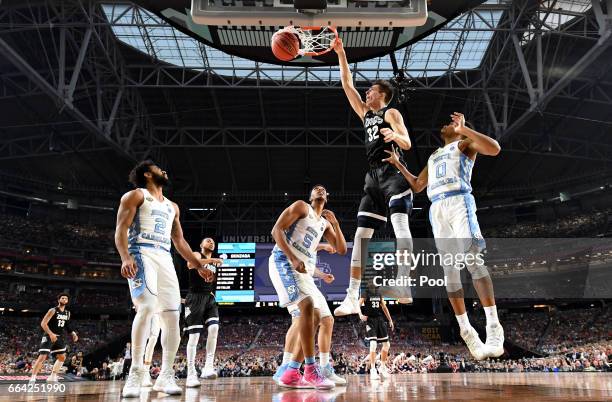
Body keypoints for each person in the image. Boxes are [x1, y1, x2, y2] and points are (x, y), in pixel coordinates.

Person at [382, 112, 504, 360]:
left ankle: (493, 326)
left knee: (472, 261)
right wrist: (399, 165)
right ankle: (465, 329)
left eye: (452, 124)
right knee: (449, 271)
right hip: (437, 208)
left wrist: (465, 129)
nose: (446, 124)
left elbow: (495, 149)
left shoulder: (465, 144)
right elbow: (417, 185)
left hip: (459, 201)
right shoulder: (435, 154)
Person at [115, 160, 214, 397]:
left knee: (172, 317)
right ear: (148, 174)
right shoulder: (135, 196)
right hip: (140, 252)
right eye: (160, 169)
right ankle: (137, 371)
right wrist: (125, 257)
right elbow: (121, 228)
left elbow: (179, 242)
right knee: (147, 307)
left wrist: (199, 264)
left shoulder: (173, 207)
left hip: (164, 257)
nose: (165, 171)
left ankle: (166, 374)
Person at [332, 37, 414, 317]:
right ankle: (352, 296)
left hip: (393, 172)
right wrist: (342, 54)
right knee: (361, 236)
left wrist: (396, 136)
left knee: (400, 227)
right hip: (373, 178)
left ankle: (404, 283)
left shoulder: (390, 112)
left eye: (371, 91)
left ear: (382, 95)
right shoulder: (366, 114)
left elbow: (407, 142)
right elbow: (347, 84)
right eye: (367, 91)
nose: (367, 93)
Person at [268, 184, 347, 389]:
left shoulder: (324, 224)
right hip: (283, 260)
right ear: (311, 196)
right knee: (306, 307)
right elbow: (276, 230)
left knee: (319, 316)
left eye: (323, 189)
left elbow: (341, 249)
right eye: (316, 189)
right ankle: (309, 369)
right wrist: (293, 258)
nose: (320, 190)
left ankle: (292, 372)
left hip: (302, 270)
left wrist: (336, 224)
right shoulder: (302, 207)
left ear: (327, 198)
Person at [272, 244, 346, 386]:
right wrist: (323, 245)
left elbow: (310, 267)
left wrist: (323, 275)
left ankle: (324, 367)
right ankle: (285, 367)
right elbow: (292, 242)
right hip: (291, 273)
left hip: (308, 280)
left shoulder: (314, 236)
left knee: (327, 320)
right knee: (299, 319)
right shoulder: (307, 231)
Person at [184, 237, 224, 387]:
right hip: (195, 297)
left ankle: (208, 366)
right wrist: (213, 260)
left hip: (210, 298)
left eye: (213, 241)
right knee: (194, 337)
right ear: (201, 245)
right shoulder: (196, 254)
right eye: (207, 241)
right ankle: (191, 373)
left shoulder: (213, 263)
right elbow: (190, 264)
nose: (211, 242)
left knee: (214, 328)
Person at [29, 293, 78, 383]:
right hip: (48, 336)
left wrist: (73, 333)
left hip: (59, 337)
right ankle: (32, 378)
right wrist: (51, 334)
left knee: (62, 357)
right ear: (59, 300)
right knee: (42, 356)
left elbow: (67, 325)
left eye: (66, 298)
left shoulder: (68, 313)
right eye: (62, 298)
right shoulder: (53, 310)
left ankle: (52, 376)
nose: (64, 299)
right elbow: (43, 323)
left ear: (67, 301)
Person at [359, 285, 394, 380]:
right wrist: (360, 315)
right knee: (373, 344)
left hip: (380, 320)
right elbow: (357, 305)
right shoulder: (365, 294)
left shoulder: (379, 294)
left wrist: (390, 320)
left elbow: (384, 307)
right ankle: (373, 370)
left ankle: (382, 367)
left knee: (387, 345)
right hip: (370, 320)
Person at [141, 313, 160, 387]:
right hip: (145, 308)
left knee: (153, 338)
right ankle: (138, 370)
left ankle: (146, 371)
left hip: (159, 310)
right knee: (142, 340)